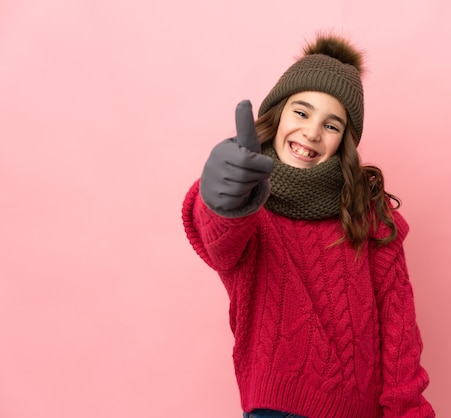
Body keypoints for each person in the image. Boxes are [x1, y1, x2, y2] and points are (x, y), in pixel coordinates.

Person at [182, 33, 435, 418]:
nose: (312, 133)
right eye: (301, 113)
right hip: (276, 409)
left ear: (344, 141)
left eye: (331, 125)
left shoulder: (370, 218)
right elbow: (220, 242)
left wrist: (409, 411)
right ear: (278, 114)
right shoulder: (252, 206)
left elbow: (400, 336)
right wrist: (223, 198)